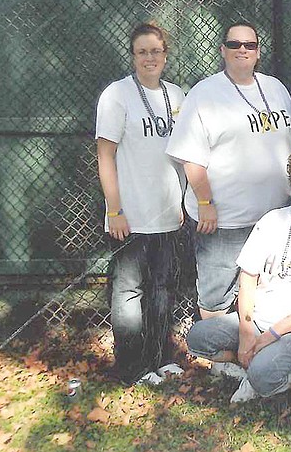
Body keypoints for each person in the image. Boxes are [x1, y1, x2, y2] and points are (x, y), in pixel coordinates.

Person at [186, 146, 291, 404]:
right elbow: (248, 277)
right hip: (259, 321)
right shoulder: (272, 221)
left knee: (264, 375)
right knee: (199, 338)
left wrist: (271, 335)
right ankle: (254, 367)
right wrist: (245, 332)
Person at [166, 21, 291, 320]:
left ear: (258, 52)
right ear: (223, 50)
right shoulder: (205, 93)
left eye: (249, 45)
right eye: (234, 44)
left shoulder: (275, 89)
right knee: (217, 296)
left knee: (265, 293)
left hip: (272, 218)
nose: (242, 50)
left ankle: (253, 357)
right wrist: (205, 203)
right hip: (224, 222)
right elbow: (191, 157)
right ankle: (219, 363)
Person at [95, 22, 186, 385]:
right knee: (130, 290)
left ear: (166, 54)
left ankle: (159, 357)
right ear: (133, 56)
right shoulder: (117, 96)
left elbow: (184, 156)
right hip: (130, 215)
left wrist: (184, 200)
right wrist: (114, 209)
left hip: (167, 212)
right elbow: (105, 156)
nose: (150, 57)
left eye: (156, 51)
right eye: (142, 51)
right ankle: (132, 366)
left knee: (162, 287)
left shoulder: (177, 96)